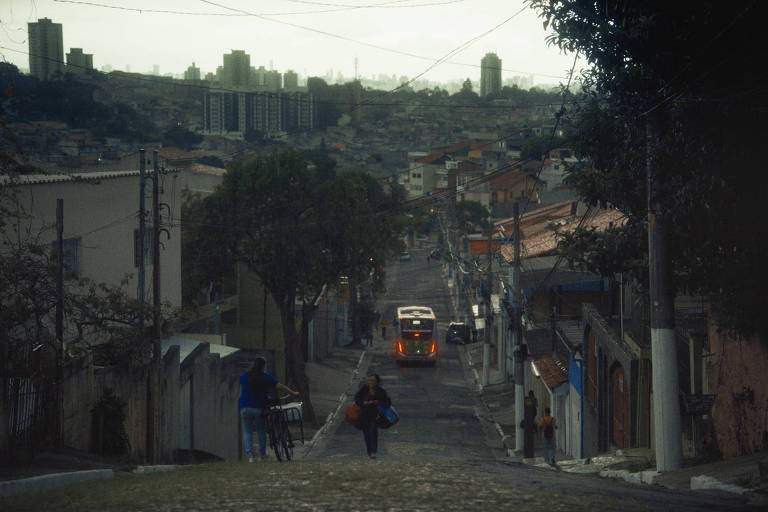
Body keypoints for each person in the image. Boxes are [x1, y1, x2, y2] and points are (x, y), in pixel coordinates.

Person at [238, 357, 299, 463]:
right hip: (258, 408)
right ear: (263, 366)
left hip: (244, 408)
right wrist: (293, 393)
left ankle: (250, 456)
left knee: (247, 432)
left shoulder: (244, 376)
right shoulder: (265, 377)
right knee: (261, 430)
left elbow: (242, 388)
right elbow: (280, 386)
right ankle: (262, 455)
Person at [354, 373, 392, 459]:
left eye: (373, 380)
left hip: (375, 415)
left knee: (373, 432)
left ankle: (374, 452)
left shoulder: (381, 391)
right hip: (364, 415)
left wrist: (379, 408)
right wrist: (364, 403)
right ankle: (369, 451)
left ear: (377, 382)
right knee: (366, 434)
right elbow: (357, 398)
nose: (370, 382)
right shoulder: (364, 389)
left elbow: (387, 403)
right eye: (369, 380)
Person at [523, 390, 538, 458]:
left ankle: (527, 454)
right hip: (530, 426)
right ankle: (530, 454)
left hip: (527, 426)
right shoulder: (533, 403)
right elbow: (535, 411)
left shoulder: (526, 402)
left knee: (527, 442)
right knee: (530, 442)